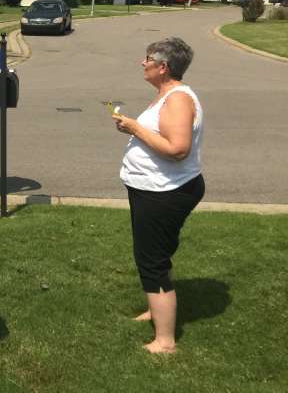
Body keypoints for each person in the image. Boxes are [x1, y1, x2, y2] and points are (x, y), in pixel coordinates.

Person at [112, 37, 204, 354]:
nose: (143, 62)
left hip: (163, 192)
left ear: (162, 67)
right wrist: (133, 127)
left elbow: (178, 149)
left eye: (148, 58)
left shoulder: (177, 100)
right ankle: (156, 307)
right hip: (154, 190)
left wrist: (136, 129)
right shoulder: (165, 95)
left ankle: (165, 341)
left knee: (152, 261)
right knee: (154, 254)